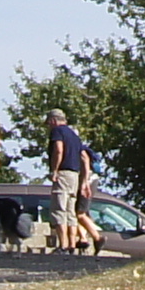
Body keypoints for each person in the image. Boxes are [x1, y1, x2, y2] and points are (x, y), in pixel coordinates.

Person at [46, 109, 94, 255]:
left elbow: (58, 150)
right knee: (70, 211)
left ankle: (63, 245)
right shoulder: (74, 135)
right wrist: (84, 180)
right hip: (74, 175)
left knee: (59, 209)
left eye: (49, 122)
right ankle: (72, 244)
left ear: (54, 120)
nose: (48, 126)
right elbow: (85, 158)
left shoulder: (57, 132)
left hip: (63, 173)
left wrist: (54, 170)